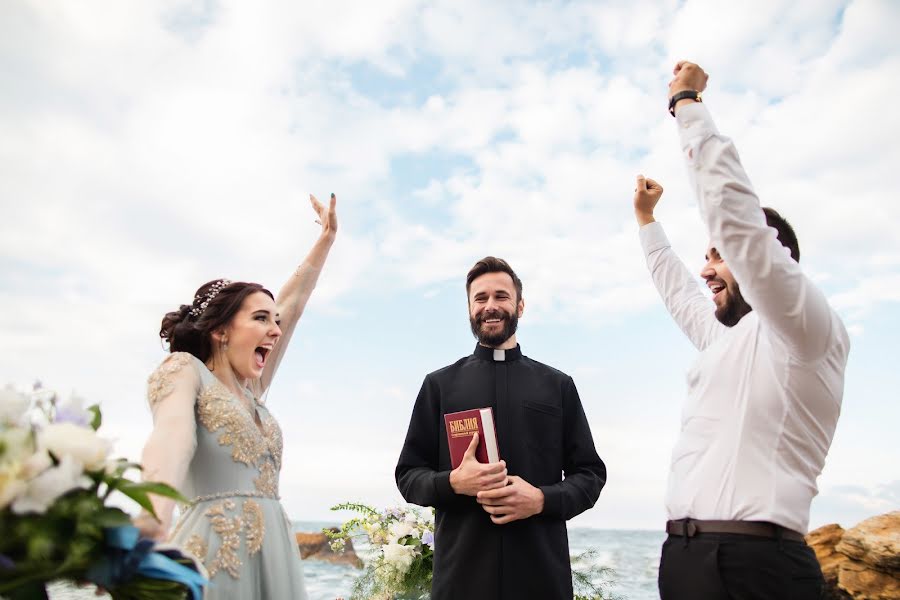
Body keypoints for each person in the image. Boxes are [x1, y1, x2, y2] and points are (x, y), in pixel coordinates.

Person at [633, 61, 850, 599]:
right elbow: (681, 293)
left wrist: (687, 104)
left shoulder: (805, 329)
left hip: (756, 567)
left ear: (770, 262)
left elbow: (735, 216)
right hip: (684, 561)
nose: (706, 268)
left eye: (718, 255)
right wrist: (646, 221)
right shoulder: (728, 338)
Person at [135, 194, 338, 599]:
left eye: (274, 321)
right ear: (220, 330)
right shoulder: (184, 370)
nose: (275, 330)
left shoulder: (253, 392)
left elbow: (292, 305)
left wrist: (326, 239)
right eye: (261, 319)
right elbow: (171, 440)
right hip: (215, 555)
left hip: (274, 559)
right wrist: (152, 521)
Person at [395, 256, 606, 600]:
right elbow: (408, 476)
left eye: (501, 296)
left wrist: (541, 499)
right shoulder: (439, 385)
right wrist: (452, 482)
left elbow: (591, 475)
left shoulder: (557, 385)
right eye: (480, 298)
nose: (490, 306)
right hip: (460, 582)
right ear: (469, 309)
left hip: (542, 581)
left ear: (520, 306)